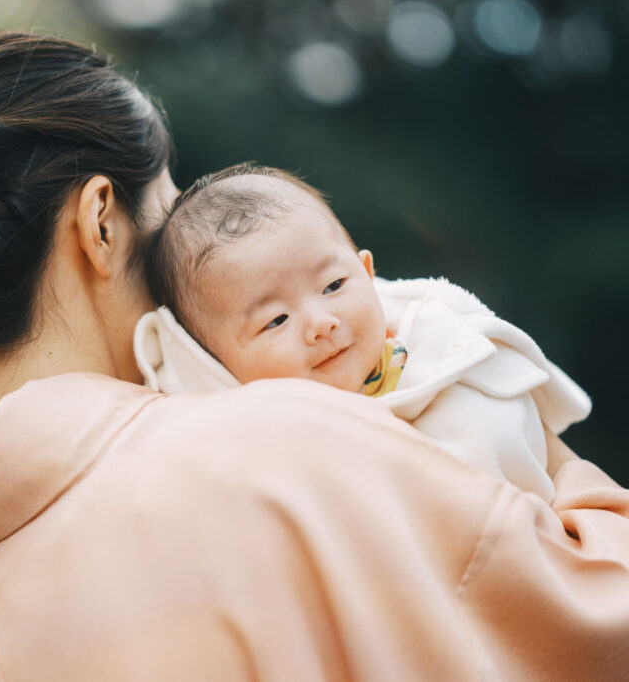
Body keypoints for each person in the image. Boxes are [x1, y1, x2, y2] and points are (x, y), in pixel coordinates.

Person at [0, 28, 629, 681]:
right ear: (101, 222)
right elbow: (599, 625)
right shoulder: (288, 447)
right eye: (169, 218)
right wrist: (547, 454)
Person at [135, 163, 591, 502]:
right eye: (275, 320)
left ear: (368, 273)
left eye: (333, 286)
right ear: (213, 359)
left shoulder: (444, 344)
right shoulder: (265, 449)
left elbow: (557, 464)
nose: (320, 323)